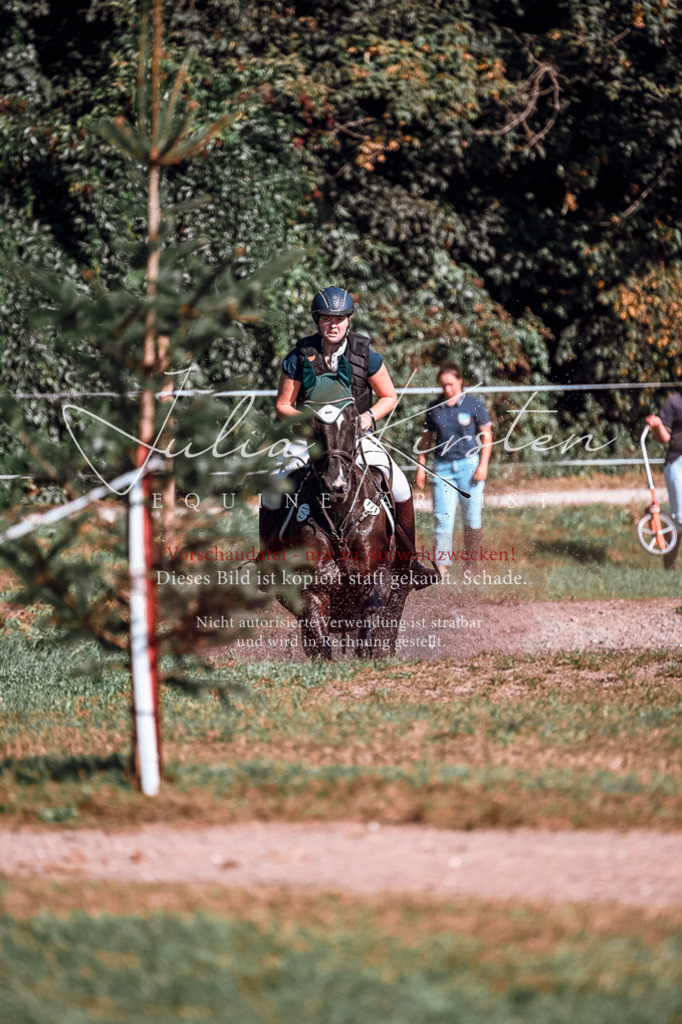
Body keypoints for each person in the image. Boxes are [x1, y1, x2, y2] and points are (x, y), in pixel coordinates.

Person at [260, 286, 439, 586]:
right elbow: (282, 406)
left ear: (349, 320)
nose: (334, 325)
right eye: (328, 319)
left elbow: (388, 396)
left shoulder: (364, 354)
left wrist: (368, 417)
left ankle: (409, 563)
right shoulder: (299, 356)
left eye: (340, 318)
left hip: (355, 437)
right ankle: (266, 561)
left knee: (398, 484)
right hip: (310, 439)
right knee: (272, 488)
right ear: (317, 320)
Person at [416, 363, 492, 568]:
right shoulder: (434, 408)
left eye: (450, 384)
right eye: (443, 385)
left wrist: (483, 465)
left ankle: (471, 564)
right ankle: (442, 567)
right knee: (443, 519)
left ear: (460, 381)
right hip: (442, 468)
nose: (447, 389)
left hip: (470, 466)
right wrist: (421, 466)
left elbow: (487, 436)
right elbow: (425, 441)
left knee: (472, 516)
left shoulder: (473, 404)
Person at [646, 394, 682, 568]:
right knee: (681, 518)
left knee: (678, 519)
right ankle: (670, 562)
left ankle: (660, 519)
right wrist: (658, 425)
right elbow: (664, 438)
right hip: (677, 462)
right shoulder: (673, 402)